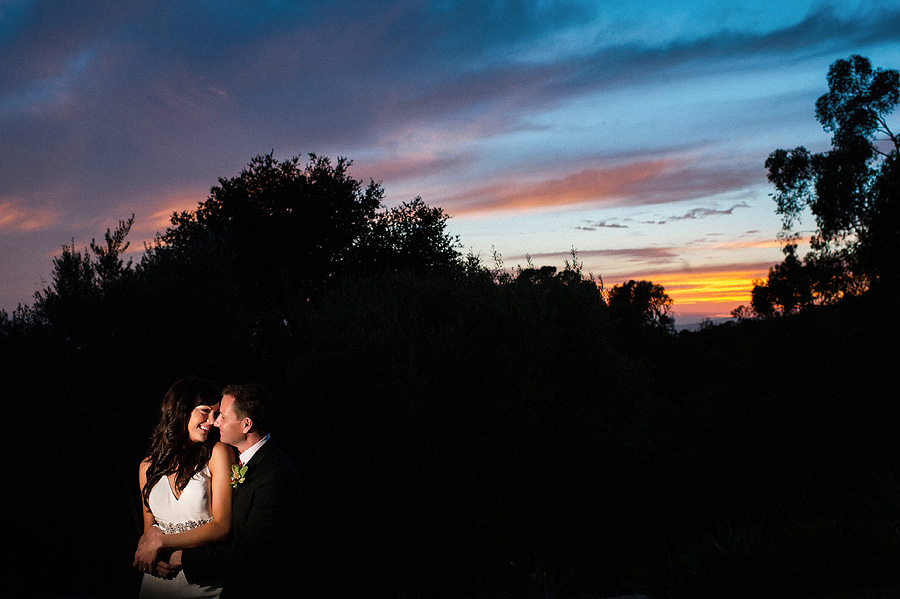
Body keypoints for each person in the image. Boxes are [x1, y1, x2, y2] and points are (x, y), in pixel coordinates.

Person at [157, 383, 304, 599]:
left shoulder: (275, 474)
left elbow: (253, 554)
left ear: (246, 425)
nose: (215, 422)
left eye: (222, 417)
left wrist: (182, 558)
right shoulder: (241, 462)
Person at [134, 376, 237, 598]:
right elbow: (148, 530)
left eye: (216, 413)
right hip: (156, 581)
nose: (212, 420)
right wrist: (153, 556)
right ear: (181, 409)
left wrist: (161, 543)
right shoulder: (146, 467)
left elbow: (222, 526)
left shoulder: (217, 453)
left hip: (200, 581)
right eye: (204, 410)